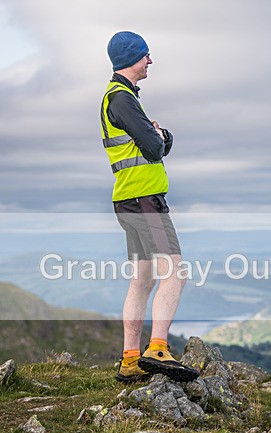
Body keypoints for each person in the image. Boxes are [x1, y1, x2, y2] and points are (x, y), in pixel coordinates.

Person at [101, 31, 198, 383]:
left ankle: (129, 359)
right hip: (145, 202)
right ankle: (157, 348)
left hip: (128, 200)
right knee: (175, 272)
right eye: (146, 56)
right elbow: (154, 148)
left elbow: (154, 142)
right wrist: (160, 136)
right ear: (132, 58)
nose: (150, 61)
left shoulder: (119, 98)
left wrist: (159, 136)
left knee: (142, 279)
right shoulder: (123, 99)